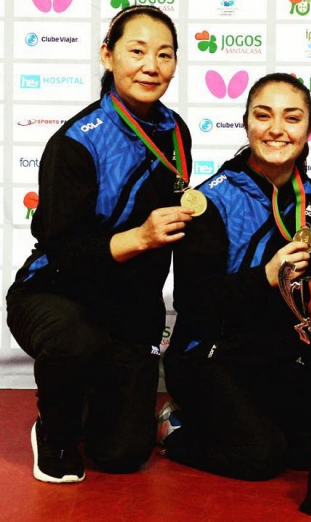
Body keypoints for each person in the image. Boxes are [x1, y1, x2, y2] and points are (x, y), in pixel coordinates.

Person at [5, 6, 193, 483]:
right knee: (76, 341)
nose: (151, 65)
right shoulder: (75, 142)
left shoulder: (176, 132)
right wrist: (140, 237)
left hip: (127, 313)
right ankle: (54, 432)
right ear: (107, 56)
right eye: (137, 51)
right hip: (55, 294)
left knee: (123, 454)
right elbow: (65, 252)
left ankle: (89, 397)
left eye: (164, 55)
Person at [159, 73, 311, 480]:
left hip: (276, 356)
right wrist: (266, 276)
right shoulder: (209, 201)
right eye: (263, 115)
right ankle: (173, 428)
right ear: (246, 123)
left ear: (309, 130)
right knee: (261, 457)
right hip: (209, 355)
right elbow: (192, 300)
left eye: (292, 118)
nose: (276, 129)